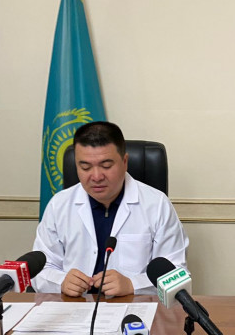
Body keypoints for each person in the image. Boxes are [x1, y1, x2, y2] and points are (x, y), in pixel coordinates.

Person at [33, 121, 188, 297]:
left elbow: (177, 274)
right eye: (85, 167)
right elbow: (39, 269)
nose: (96, 176)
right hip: (74, 306)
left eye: (106, 166)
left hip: (134, 307)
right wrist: (61, 281)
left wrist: (133, 284)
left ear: (125, 162)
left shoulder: (157, 205)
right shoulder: (59, 205)